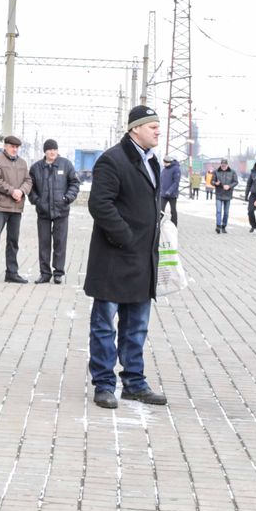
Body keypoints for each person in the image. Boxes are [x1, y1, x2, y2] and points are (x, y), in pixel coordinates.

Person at [85, 105, 167, 410]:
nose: (158, 130)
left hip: (143, 260)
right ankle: (104, 384)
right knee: (104, 325)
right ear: (135, 129)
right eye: (152, 126)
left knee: (137, 327)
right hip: (114, 259)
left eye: (158, 126)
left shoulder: (152, 161)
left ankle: (134, 382)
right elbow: (100, 204)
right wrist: (126, 237)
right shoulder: (112, 160)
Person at [28, 139, 80, 284]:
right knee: (44, 243)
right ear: (45, 151)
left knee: (60, 242)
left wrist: (67, 198)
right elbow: (30, 188)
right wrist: (37, 201)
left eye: (54, 149)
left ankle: (58, 272)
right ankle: (45, 273)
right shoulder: (36, 167)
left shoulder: (66, 164)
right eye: (49, 149)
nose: (52, 152)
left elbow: (75, 183)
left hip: (61, 211)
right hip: (43, 212)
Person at [0, 135, 33, 283]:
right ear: (5, 146)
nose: (14, 149)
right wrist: (13, 191)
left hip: (16, 208)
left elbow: (28, 180)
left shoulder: (23, 163)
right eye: (12, 146)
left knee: (13, 241)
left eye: (17, 147)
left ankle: (11, 273)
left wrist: (22, 191)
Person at [213, 158, 238, 233]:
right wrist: (215, 183)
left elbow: (236, 182)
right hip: (219, 194)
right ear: (220, 165)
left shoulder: (232, 172)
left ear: (227, 165)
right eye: (222, 165)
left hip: (228, 194)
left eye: (225, 165)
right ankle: (218, 226)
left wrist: (229, 186)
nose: (223, 167)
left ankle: (224, 226)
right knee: (218, 211)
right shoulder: (216, 172)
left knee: (226, 212)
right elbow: (212, 181)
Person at [159, 155, 181, 226]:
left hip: (172, 194)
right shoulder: (164, 169)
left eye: (166, 162)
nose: (164, 164)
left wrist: (169, 191)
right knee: (161, 210)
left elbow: (176, 182)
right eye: (164, 162)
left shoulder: (176, 169)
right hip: (163, 194)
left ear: (170, 162)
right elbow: (161, 180)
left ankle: (174, 225)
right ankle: (158, 224)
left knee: (173, 210)